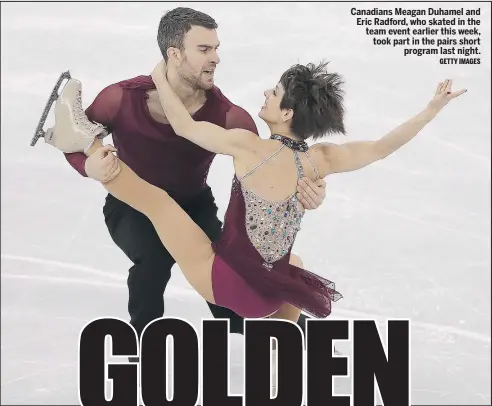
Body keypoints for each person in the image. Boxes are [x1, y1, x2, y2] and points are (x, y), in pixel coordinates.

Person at [39, 57, 465, 323]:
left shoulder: (248, 146)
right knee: (292, 259)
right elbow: (380, 147)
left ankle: (76, 138)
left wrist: (160, 77)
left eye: (274, 92)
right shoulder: (322, 160)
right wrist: (432, 108)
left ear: (286, 112)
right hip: (269, 296)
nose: (266, 92)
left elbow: (184, 126)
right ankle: (282, 358)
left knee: (157, 201)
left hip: (223, 283)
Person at [61, 8, 327, 343]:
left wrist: (309, 190)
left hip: (194, 205)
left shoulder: (228, 116)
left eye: (216, 48)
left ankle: (282, 337)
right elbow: (75, 139)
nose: (216, 58)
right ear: (174, 53)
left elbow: (273, 165)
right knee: (153, 260)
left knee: (231, 272)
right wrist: (87, 166)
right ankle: (144, 347)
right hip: (131, 208)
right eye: (204, 49)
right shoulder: (120, 99)